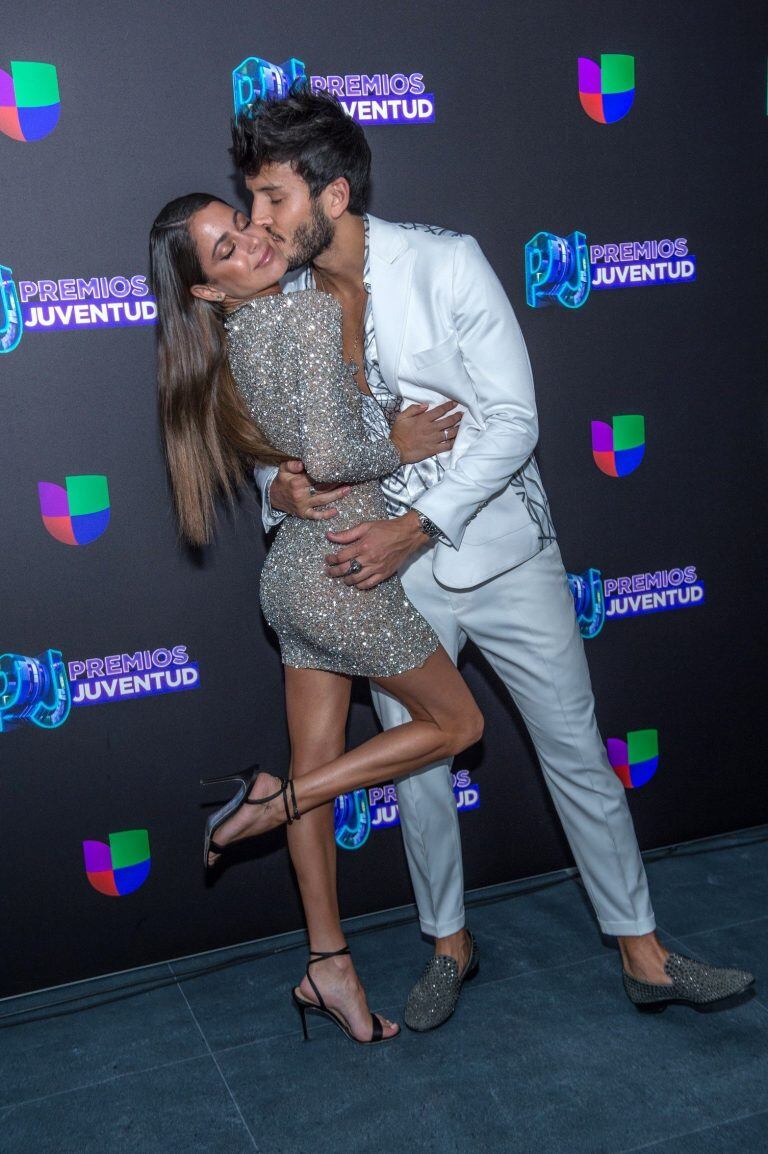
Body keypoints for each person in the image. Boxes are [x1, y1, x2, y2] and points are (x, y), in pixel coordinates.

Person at [235, 88, 754, 1029]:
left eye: (274, 199)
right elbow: (266, 448)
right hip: (376, 573)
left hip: (500, 552)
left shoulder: (445, 261)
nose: (259, 222)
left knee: (575, 751)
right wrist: (280, 490)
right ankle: (449, 945)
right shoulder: (285, 305)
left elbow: (514, 420)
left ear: (334, 195)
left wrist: (418, 524)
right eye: (254, 201)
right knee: (417, 771)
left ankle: (643, 949)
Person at [149, 194, 484, 1045]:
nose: (255, 240)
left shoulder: (236, 343)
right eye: (226, 249)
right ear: (209, 292)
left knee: (320, 761)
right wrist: (399, 444)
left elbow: (308, 452)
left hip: (296, 575)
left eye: (248, 222)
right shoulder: (292, 319)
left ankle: (328, 965)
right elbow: (334, 458)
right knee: (459, 723)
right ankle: (269, 802)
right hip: (338, 573)